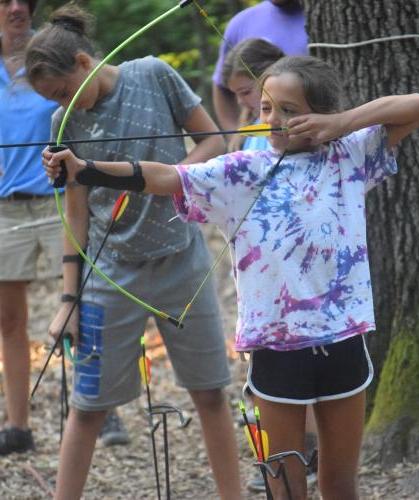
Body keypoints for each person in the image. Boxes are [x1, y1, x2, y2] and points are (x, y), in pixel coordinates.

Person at [43, 55, 419, 499]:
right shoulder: (241, 170)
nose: (274, 119)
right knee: (284, 484)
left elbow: (417, 104)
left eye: (288, 109)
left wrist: (340, 123)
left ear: (318, 112)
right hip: (275, 346)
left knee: (340, 482)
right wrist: (85, 170)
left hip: (343, 337)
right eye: (266, 108)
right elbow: (166, 176)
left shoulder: (349, 155)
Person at [26, 4, 241, 499]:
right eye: (55, 100)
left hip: (181, 260)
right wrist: (68, 301)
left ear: (83, 62)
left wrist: (172, 180)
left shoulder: (153, 75)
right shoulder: (64, 120)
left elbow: (213, 140)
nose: (65, 104)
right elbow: (75, 213)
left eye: (64, 91)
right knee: (88, 404)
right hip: (111, 273)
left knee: (210, 391)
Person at [223, 37, 319, 493]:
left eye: (249, 93)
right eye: (250, 100)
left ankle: (310, 449)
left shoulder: (327, 148)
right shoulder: (254, 137)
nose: (245, 104)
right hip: (266, 295)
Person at [0, 0, 60, 456]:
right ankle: (18, 426)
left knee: (86, 306)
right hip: (5, 208)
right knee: (8, 319)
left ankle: (101, 408)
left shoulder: (53, 49)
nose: (16, 6)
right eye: (5, 1)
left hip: (62, 199)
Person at [212, 0, 307, 131]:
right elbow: (223, 85)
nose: (240, 101)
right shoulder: (240, 23)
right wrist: (236, 134)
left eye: (246, 92)